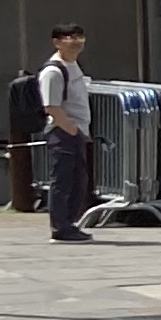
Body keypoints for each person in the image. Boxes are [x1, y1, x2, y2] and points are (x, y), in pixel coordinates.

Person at [36, 24, 94, 244]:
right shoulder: (53, 71)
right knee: (63, 181)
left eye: (79, 36)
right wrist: (71, 129)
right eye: (69, 37)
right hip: (63, 132)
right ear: (57, 42)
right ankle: (60, 227)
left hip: (75, 132)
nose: (76, 41)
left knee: (78, 180)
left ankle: (69, 224)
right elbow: (51, 106)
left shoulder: (73, 65)